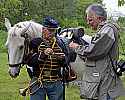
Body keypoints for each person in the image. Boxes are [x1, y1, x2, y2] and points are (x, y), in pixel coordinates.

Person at [69, 4, 125, 100]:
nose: (88, 22)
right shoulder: (103, 30)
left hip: (105, 83)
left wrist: (76, 47)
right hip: (100, 81)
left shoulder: (107, 30)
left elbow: (94, 52)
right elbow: (93, 53)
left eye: (90, 19)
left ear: (99, 18)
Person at [26, 16, 70, 100]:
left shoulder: (60, 44)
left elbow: (66, 61)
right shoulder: (35, 42)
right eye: (49, 30)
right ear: (43, 29)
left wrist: (62, 59)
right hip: (38, 81)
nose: (52, 33)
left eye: (54, 30)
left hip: (56, 82)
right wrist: (43, 54)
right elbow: (29, 61)